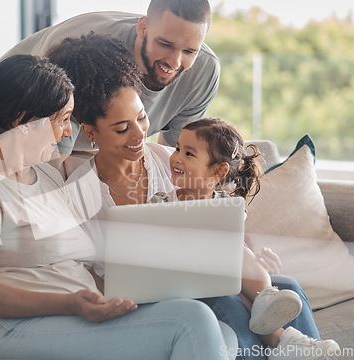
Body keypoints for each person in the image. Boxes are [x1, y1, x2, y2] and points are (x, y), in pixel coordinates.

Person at [48, 32, 338, 360]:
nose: (139, 133)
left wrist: (252, 257)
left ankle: (300, 348)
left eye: (142, 118)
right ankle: (282, 344)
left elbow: (216, 211)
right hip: (143, 298)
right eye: (121, 128)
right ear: (91, 132)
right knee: (227, 300)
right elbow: (83, 270)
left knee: (287, 288)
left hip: (201, 277)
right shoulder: (80, 191)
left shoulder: (170, 159)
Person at [0, 54, 237, 360]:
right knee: (191, 321)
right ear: (23, 121)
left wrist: (135, 294)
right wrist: (69, 304)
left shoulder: (48, 176)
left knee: (222, 332)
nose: (68, 132)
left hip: (74, 316)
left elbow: (86, 268)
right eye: (63, 119)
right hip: (9, 328)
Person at [168, 118, 340, 359]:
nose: (176, 157)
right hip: (186, 284)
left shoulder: (226, 208)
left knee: (288, 284)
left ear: (218, 171)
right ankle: (279, 336)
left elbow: (235, 252)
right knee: (227, 290)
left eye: (188, 153)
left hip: (223, 276)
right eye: (177, 148)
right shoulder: (164, 204)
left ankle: (279, 318)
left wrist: (256, 265)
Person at [0, 0, 219, 156]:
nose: (174, 62)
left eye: (189, 51)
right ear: (143, 27)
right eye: (165, 44)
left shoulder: (203, 73)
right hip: (7, 118)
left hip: (85, 147)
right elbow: (51, 157)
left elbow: (172, 154)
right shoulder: (86, 55)